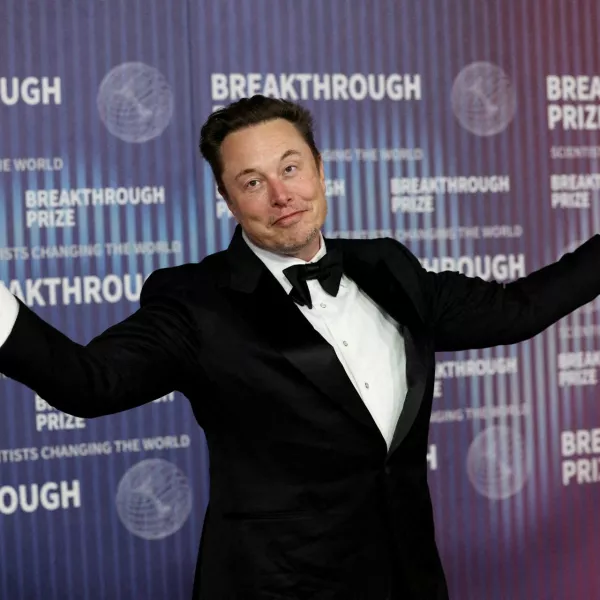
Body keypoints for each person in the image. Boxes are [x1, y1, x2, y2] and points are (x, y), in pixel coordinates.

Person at [0, 94, 599, 600]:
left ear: (318, 168)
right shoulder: (196, 301)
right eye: (252, 182)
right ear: (228, 200)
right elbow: (86, 381)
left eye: (290, 168)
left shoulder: (387, 266)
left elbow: (519, 311)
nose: (280, 195)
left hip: (408, 578)